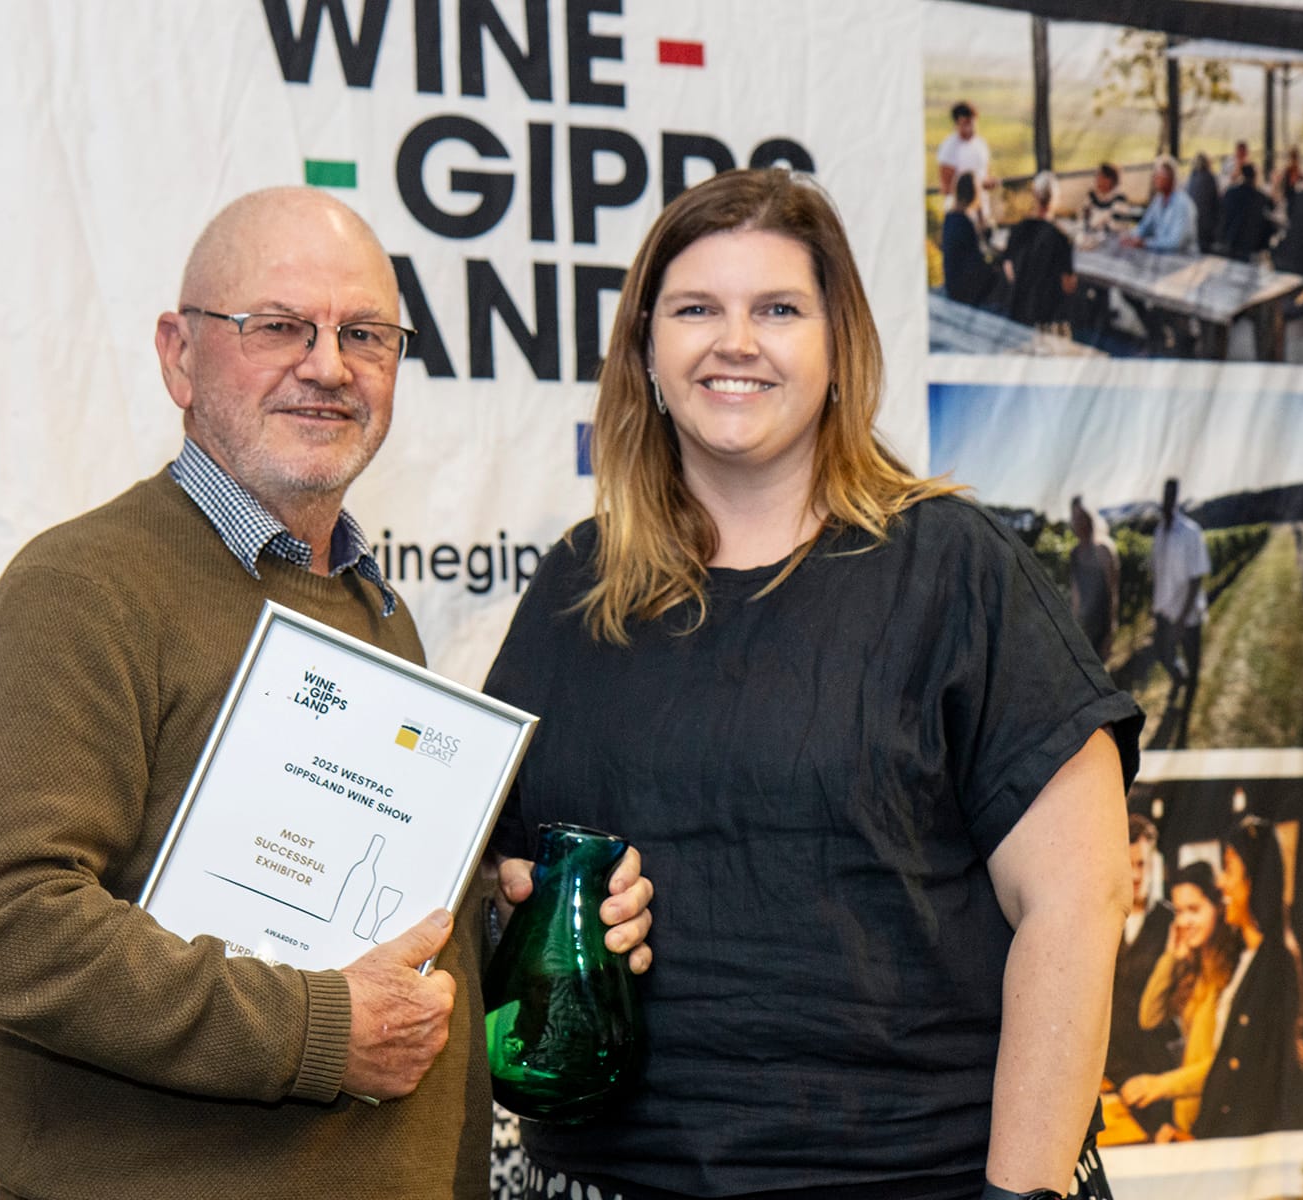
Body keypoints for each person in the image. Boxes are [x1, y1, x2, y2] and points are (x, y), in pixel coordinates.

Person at [0, 186, 652, 1200]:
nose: (328, 366)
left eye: (365, 335)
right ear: (179, 355)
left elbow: (343, 916)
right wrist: (318, 1030)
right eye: (277, 327)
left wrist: (497, 913)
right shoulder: (81, 590)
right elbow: (2, 927)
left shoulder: (369, 609)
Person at [483, 167, 1143, 1200]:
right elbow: (497, 876)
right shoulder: (577, 584)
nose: (735, 341)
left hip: (923, 1180)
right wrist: (515, 906)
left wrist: (1020, 1196)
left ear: (840, 349)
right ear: (647, 349)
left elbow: (1077, 899)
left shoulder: (953, 569)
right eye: (696, 309)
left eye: (779, 310)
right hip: (605, 1180)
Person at [1193, 816, 1303, 1137]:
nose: (1221, 883)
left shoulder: (1278, 964)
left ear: (1255, 878)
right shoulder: (1245, 956)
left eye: (1229, 868)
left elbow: (1259, 1086)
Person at [1119, 860, 1242, 1139]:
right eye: (1179, 912)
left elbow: (1223, 1064)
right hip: (1185, 1124)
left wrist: (1158, 1086)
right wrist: (1171, 956)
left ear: (1218, 907)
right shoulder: (1195, 970)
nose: (1184, 921)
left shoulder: (1231, 974)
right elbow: (1149, 1017)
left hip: (1212, 1128)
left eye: (1194, 910)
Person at [1107, 815, 1175, 1107]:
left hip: (1155, 1070)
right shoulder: (1105, 921)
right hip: (1110, 1068)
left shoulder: (1171, 921)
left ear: (1154, 864)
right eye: (1128, 865)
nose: (1135, 875)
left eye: (1142, 864)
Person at [1149, 478, 1209, 708]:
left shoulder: (1190, 532)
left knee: (1193, 661)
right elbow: (1157, 573)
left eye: (1171, 495)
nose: (1166, 500)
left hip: (1188, 615)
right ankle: (1179, 677)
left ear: (1176, 498)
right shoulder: (1159, 533)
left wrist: (1182, 619)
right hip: (1164, 611)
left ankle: (1187, 708)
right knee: (1163, 653)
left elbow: (1196, 578)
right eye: (1164, 495)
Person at [1001, 171, 1077, 327]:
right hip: (1048, 316)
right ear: (1056, 199)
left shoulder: (1018, 230)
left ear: (1034, 194)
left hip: (1018, 311)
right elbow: (1068, 286)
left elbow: (1009, 270)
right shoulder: (1061, 238)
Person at [1067, 497, 1119, 663]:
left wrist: (1110, 631)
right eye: (1075, 518)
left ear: (1090, 519)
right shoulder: (1074, 554)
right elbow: (1076, 595)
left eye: (1082, 517)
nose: (1078, 523)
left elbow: (1112, 592)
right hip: (1084, 628)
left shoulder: (1103, 551)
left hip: (1101, 626)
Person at [941, 171, 1001, 308]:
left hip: (952, 283)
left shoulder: (950, 218)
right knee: (999, 272)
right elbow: (983, 252)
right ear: (975, 194)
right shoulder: (965, 222)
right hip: (964, 289)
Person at [1124, 156, 1199, 255]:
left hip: (1183, 259)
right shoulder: (1158, 200)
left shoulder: (1183, 204)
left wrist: (1145, 243)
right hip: (1162, 257)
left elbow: (1175, 243)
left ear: (1171, 178)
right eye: (1155, 176)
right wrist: (1130, 236)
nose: (1155, 179)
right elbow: (1144, 226)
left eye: (1159, 176)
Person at [937, 101, 996, 219]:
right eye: (966, 123)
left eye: (973, 123)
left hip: (981, 210)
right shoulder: (949, 148)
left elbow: (985, 174)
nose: (971, 128)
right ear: (957, 123)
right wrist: (973, 189)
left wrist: (987, 183)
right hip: (959, 212)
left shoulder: (981, 144)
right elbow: (946, 186)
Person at [1219, 163, 1276, 262]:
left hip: (1230, 239)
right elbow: (1272, 207)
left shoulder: (1231, 193)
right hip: (1251, 243)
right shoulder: (1260, 197)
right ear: (1255, 177)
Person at [1083, 162, 1137, 233]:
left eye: (1101, 177)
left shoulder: (1120, 198)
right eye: (1097, 176)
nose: (1097, 180)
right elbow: (1084, 218)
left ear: (1111, 180)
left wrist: (1097, 221)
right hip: (1092, 233)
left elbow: (1116, 225)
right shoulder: (1092, 195)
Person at [1184, 153, 1221, 254]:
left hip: (1191, 224)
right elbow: (1216, 203)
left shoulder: (1192, 178)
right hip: (1206, 227)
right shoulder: (1210, 178)